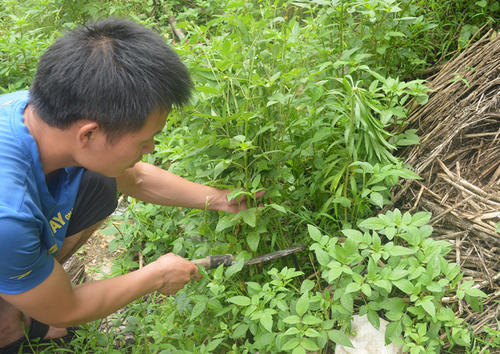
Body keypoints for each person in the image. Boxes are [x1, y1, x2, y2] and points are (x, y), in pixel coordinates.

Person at [0, 18, 259, 352]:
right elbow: (69, 309)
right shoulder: (9, 216)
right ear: (89, 134)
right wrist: (156, 275)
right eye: (145, 141)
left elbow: (133, 177)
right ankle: (15, 318)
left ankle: (23, 292)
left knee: (99, 183)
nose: (150, 149)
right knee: (40, 314)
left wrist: (222, 200)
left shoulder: (38, 112)